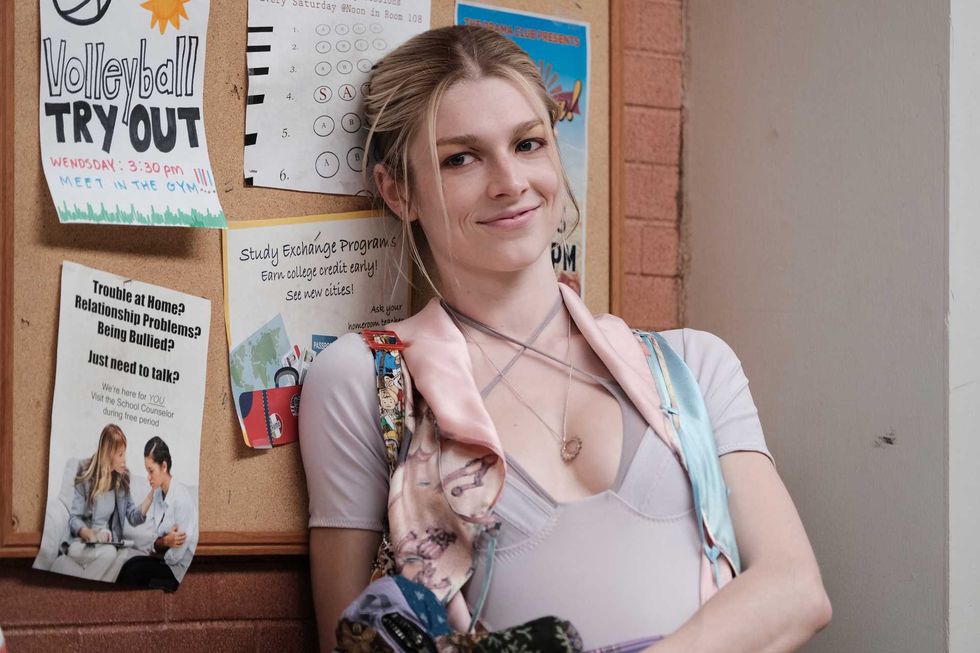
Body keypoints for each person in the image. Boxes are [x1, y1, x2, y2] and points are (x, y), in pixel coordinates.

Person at [299, 25, 831, 652]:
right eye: (460, 158)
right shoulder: (369, 381)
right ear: (399, 191)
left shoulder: (691, 366)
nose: (509, 181)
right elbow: (348, 641)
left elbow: (796, 590)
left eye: (527, 144)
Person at [51, 424, 152, 582]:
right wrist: (90, 534)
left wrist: (151, 497)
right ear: (109, 454)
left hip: (107, 545)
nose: (124, 459)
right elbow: (74, 519)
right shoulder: (85, 475)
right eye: (120, 454)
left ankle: (77, 579)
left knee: (122, 554)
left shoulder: (122, 479)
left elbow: (133, 516)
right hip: (83, 544)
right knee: (111, 554)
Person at [116, 436, 198, 592]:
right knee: (128, 565)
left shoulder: (182, 500)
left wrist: (161, 546)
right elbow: (154, 541)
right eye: (147, 471)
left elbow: (177, 555)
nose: (148, 477)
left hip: (176, 571)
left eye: (151, 471)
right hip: (162, 560)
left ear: (164, 466)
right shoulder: (158, 494)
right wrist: (164, 542)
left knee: (134, 573)